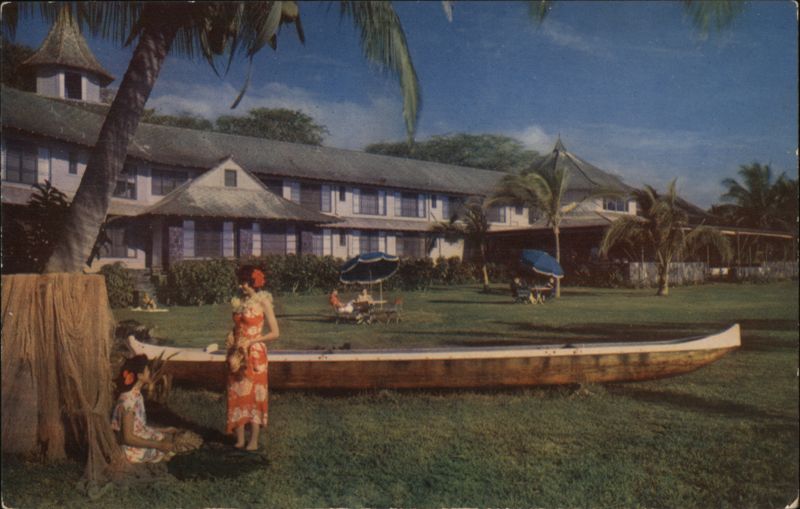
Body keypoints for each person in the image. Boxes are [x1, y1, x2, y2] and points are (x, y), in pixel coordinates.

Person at [226, 266, 280, 451]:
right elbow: (237, 326)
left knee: (255, 394)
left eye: (245, 283)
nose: (242, 286)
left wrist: (254, 340)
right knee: (237, 392)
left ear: (254, 283)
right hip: (237, 352)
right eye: (241, 283)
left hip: (255, 354)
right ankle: (240, 439)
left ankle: (254, 440)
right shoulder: (239, 301)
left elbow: (275, 333)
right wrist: (231, 334)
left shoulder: (263, 301)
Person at [111, 355, 176, 463]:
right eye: (147, 370)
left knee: (165, 437)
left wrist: (164, 429)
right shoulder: (128, 402)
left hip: (137, 438)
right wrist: (159, 445)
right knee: (167, 448)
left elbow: (138, 426)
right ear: (140, 376)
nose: (150, 372)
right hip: (130, 449)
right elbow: (128, 438)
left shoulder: (137, 395)